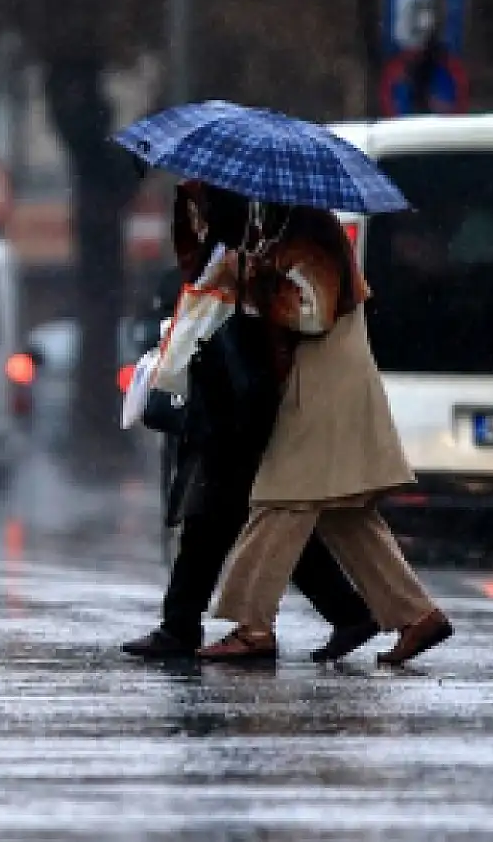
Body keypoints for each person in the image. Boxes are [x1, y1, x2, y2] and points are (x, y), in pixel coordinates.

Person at [122, 183, 379, 662]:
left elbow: (307, 312)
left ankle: (190, 625)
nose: (198, 208)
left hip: (245, 394)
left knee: (223, 514)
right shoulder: (243, 236)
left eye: (202, 198)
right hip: (224, 387)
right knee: (241, 516)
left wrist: (253, 280)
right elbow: (198, 277)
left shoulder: (291, 234)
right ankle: (345, 612)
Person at [198, 200, 452, 667]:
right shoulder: (285, 228)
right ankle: (417, 615)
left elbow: (312, 314)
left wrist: (247, 280)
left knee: (281, 497)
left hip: (325, 381)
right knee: (343, 510)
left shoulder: (310, 230)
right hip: (323, 378)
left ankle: (252, 625)